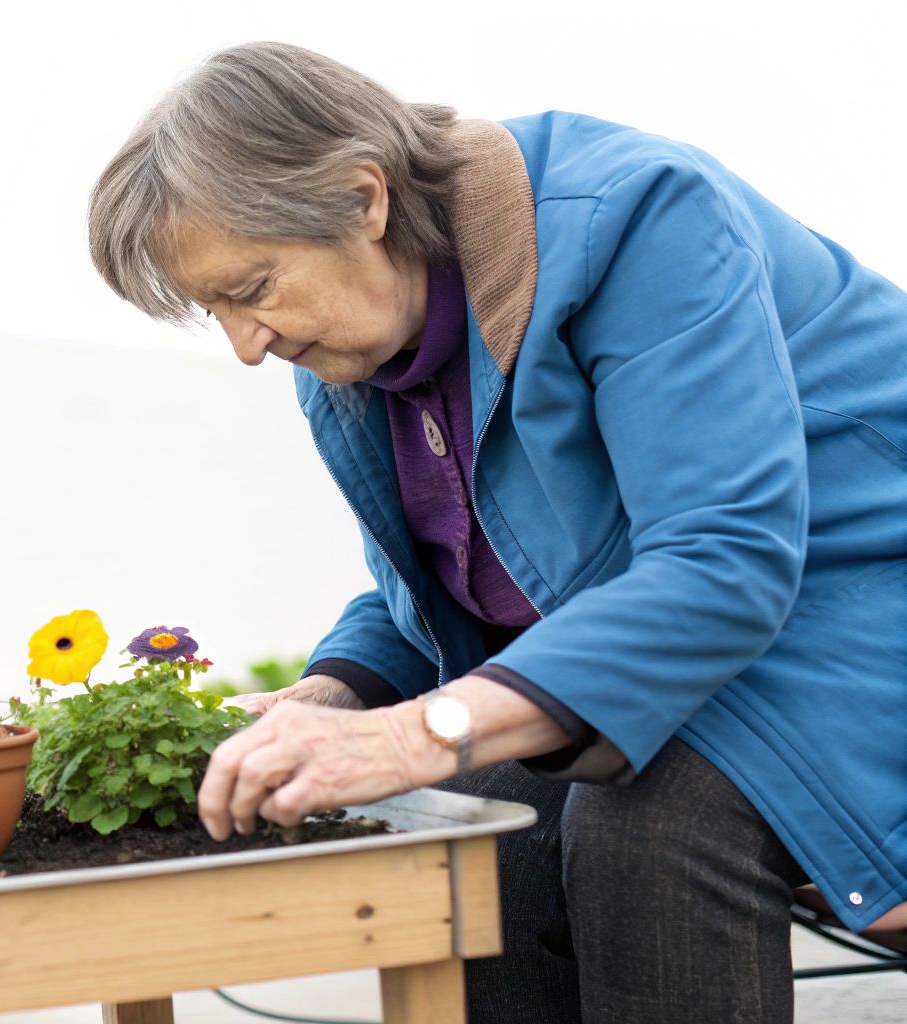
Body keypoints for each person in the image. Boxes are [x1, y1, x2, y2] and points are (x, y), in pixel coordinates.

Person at [86, 41, 906, 1024]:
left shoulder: (635, 219)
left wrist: (412, 732)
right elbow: (456, 586)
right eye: (214, 309)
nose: (245, 347)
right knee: (478, 831)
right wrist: (325, 701)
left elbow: (719, 562)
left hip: (855, 611)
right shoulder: (355, 360)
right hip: (718, 647)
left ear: (362, 199)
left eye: (251, 287)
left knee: (647, 821)